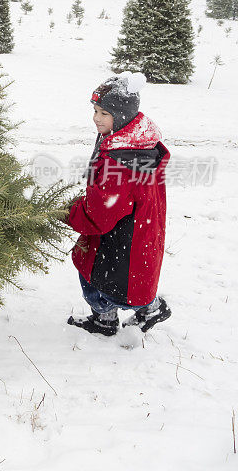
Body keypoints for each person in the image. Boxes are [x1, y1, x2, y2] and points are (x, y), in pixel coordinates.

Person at [66, 71, 171, 336]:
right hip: (137, 227)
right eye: (96, 110)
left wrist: (69, 212)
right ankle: (150, 308)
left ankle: (106, 319)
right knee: (133, 278)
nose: (96, 118)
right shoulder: (135, 141)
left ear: (122, 115)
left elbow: (98, 215)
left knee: (97, 277)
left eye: (104, 113)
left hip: (121, 234)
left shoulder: (120, 159)